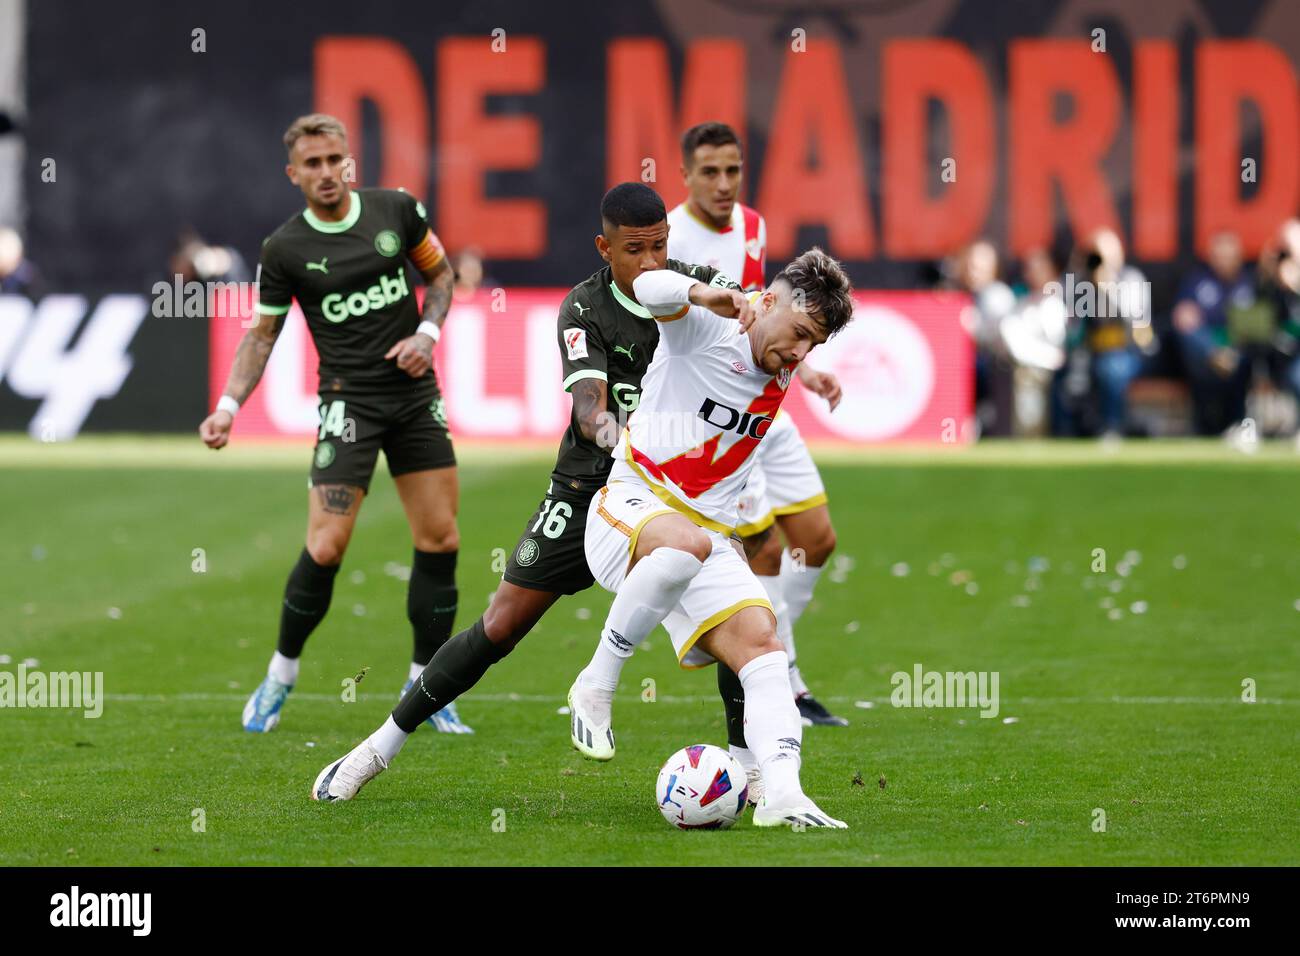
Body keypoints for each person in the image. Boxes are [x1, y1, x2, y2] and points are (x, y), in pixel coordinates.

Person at [308, 183, 743, 803]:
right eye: (635, 250)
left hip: (676, 496)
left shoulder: (696, 287)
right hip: (590, 483)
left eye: (659, 248)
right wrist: (626, 444)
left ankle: (747, 770)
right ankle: (375, 749)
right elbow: (590, 405)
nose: (651, 263)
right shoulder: (584, 308)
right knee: (501, 624)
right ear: (605, 247)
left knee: (735, 615)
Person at [565, 247, 855, 828]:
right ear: (765, 300)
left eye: (813, 345)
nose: (799, 352)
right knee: (686, 545)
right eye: (799, 334)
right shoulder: (706, 328)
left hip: (705, 537)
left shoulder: (784, 359)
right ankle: (595, 684)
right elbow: (648, 285)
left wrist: (812, 369)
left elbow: (788, 351)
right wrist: (704, 294)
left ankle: (781, 793)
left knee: (763, 646)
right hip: (631, 503)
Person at [198, 113, 469, 734]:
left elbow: (442, 277)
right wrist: (228, 407)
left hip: (413, 396)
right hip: (348, 405)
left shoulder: (397, 211)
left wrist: (427, 334)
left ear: (350, 161)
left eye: (335, 160)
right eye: (312, 164)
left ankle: (427, 685)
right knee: (325, 546)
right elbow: (262, 336)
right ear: (293, 173)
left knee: (441, 540)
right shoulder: (284, 249)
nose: (326, 173)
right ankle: (280, 675)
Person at [667, 121, 849, 734]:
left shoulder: (752, 225)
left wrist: (810, 370)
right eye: (709, 172)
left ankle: (754, 649)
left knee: (816, 538)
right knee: (766, 548)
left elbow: (774, 309)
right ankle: (781, 676)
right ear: (685, 174)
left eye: (733, 170)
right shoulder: (667, 235)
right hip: (717, 416)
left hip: (769, 397)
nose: (723, 184)